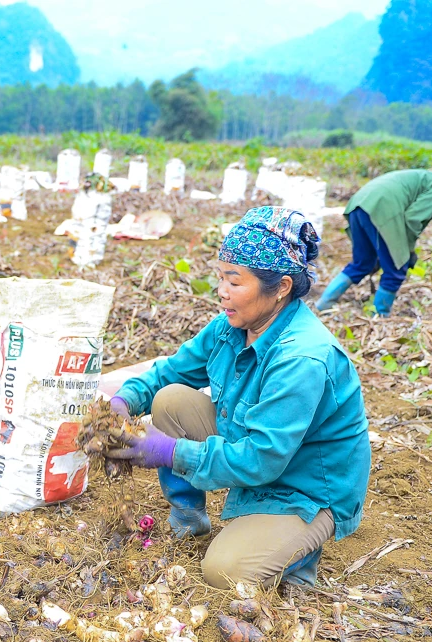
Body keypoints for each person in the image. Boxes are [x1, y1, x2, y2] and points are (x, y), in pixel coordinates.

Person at [106, 207, 370, 589]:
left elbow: (263, 458)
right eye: (220, 278)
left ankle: (300, 552)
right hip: (258, 449)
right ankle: (188, 516)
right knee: (171, 399)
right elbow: (171, 372)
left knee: (224, 570)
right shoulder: (233, 324)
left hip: (306, 485)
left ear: (280, 287)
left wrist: (170, 453)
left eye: (235, 281)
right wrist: (125, 401)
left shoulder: (302, 358)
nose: (222, 292)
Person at [315, 164, 432, 316]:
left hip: (359, 203)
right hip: (381, 209)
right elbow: (414, 219)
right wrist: (406, 251)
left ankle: (324, 303)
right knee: (396, 269)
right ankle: (380, 317)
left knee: (363, 263)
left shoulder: (425, 177)